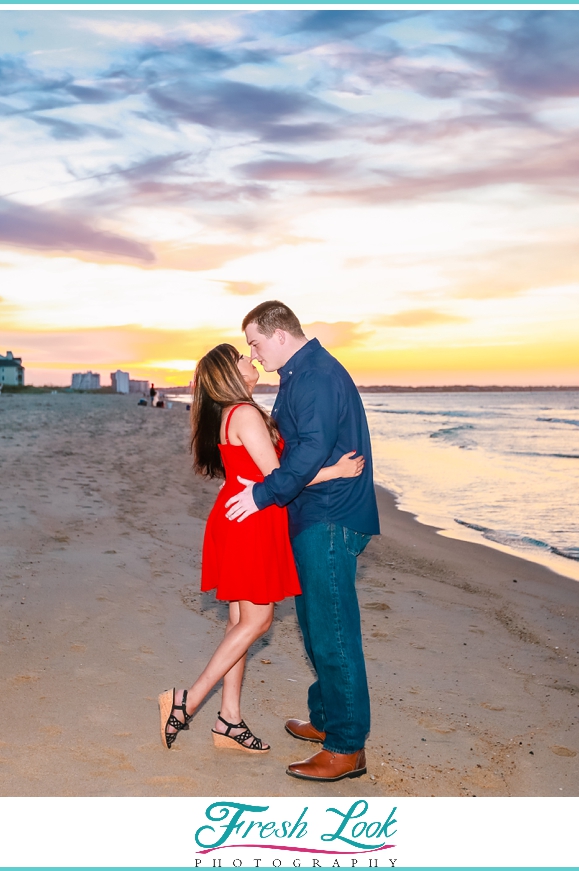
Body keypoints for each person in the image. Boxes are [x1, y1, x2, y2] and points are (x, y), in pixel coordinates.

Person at [159, 344, 364, 753]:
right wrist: (337, 472)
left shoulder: (234, 413)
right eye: (240, 357)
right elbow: (282, 477)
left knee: (240, 624)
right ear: (228, 374)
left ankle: (229, 720)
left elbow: (253, 471)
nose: (249, 359)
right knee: (257, 623)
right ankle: (187, 701)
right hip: (250, 524)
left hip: (240, 518)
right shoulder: (246, 414)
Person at [225, 301, 380, 782]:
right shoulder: (300, 374)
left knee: (332, 630)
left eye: (254, 342)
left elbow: (310, 448)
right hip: (318, 513)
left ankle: (346, 746)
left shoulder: (313, 375)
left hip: (331, 517)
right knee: (315, 626)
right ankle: (327, 719)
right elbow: (296, 447)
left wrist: (262, 495)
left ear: (278, 334)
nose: (252, 352)